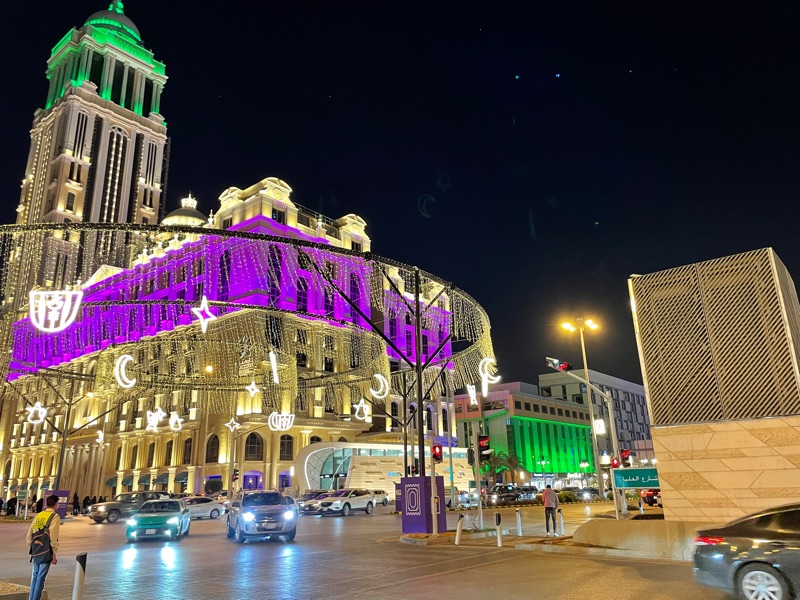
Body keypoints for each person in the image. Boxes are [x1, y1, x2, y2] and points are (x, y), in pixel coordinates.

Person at [25, 494, 60, 600]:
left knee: (35, 576)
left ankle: (31, 598)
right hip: (46, 551)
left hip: (36, 550)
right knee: (41, 578)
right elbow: (53, 536)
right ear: (56, 504)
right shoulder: (55, 517)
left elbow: (29, 534)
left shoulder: (39, 515)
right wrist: (54, 553)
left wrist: (32, 547)